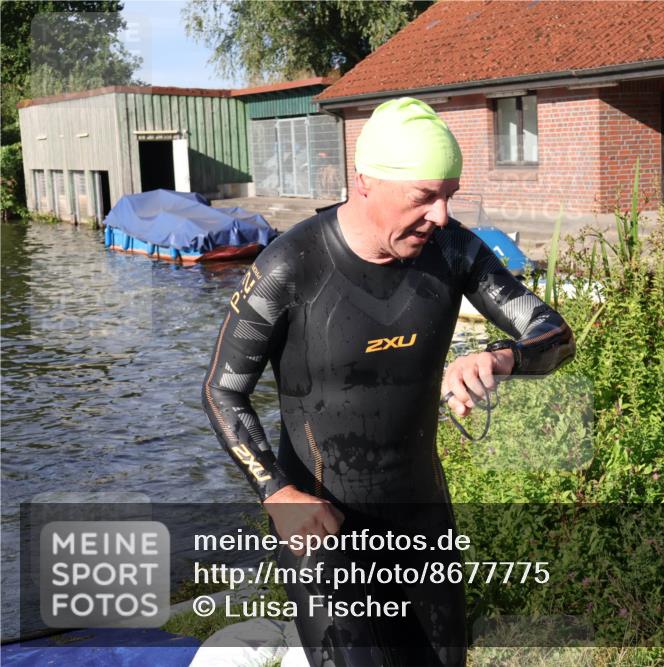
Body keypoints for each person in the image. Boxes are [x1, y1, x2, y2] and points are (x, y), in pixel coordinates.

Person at [202, 97, 574, 666]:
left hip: (422, 521)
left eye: (450, 194)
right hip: (325, 531)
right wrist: (276, 492)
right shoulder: (290, 266)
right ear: (366, 182)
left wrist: (502, 358)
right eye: (425, 196)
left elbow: (553, 334)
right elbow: (223, 390)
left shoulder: (454, 251)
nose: (443, 215)